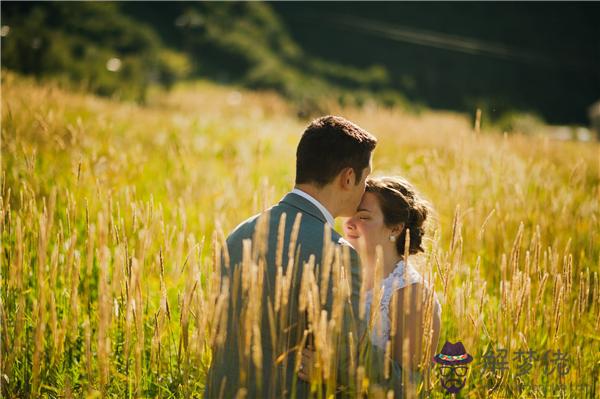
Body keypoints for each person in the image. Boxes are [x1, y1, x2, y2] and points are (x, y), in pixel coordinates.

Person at [204, 116, 403, 398]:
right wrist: (405, 383)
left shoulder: (240, 234)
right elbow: (348, 358)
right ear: (348, 177)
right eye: (365, 177)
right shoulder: (335, 253)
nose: (364, 189)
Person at [299, 176, 442, 391]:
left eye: (363, 217)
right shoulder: (337, 277)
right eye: (349, 215)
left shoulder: (412, 295)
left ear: (395, 229)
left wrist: (329, 378)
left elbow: (408, 387)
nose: (348, 223)